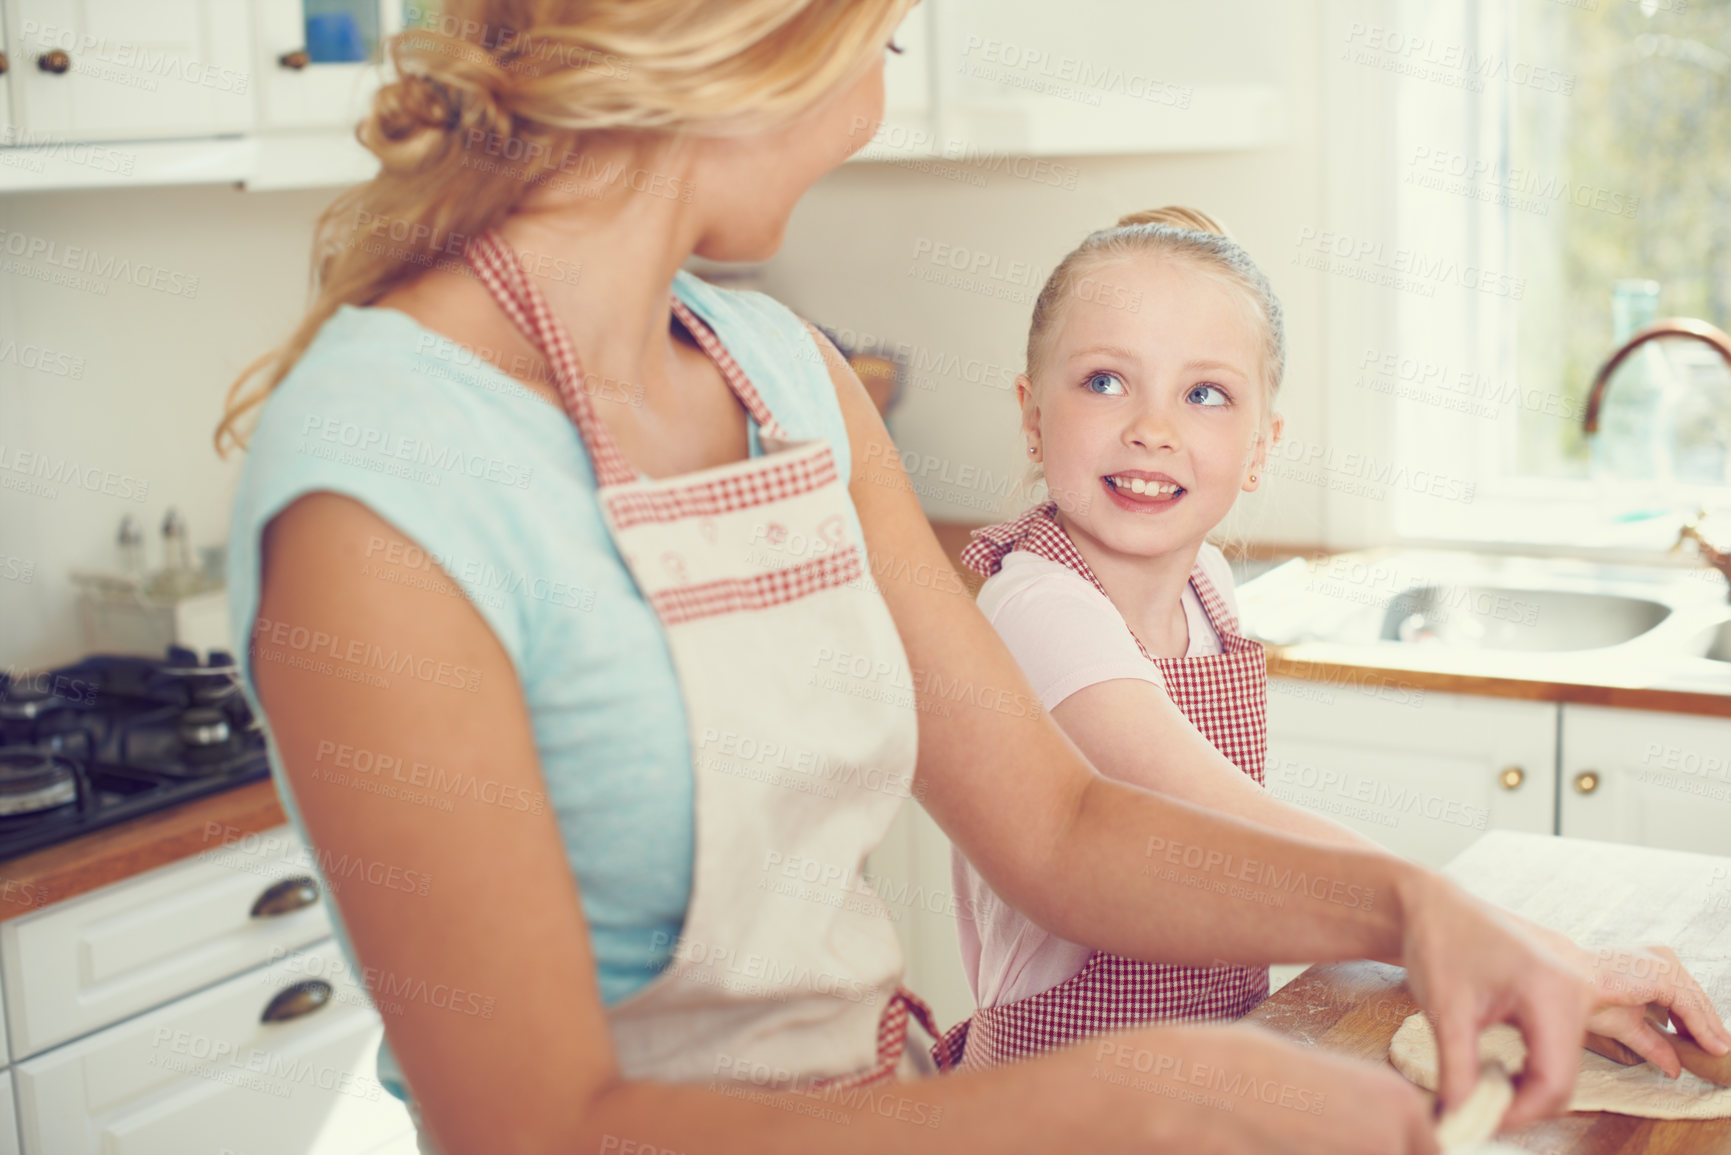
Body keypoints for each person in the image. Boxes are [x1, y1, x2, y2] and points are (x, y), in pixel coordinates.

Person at [215, 4, 1729, 1153]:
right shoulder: (379, 478)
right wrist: (1129, 1095)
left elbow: (1058, 822)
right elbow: (539, 1127)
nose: (873, 98)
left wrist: (1423, 910)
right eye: (878, 32)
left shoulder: (782, 378)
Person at [934, 206, 1722, 1075]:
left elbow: (1246, 874)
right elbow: (1209, 821)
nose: (1151, 427)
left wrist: (1501, 952)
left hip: (1208, 1059)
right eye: (1104, 381)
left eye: (1204, 394)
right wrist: (1509, 946)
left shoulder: (1210, 590)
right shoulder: (1037, 605)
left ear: (1261, 447)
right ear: (1030, 413)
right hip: (1055, 1090)